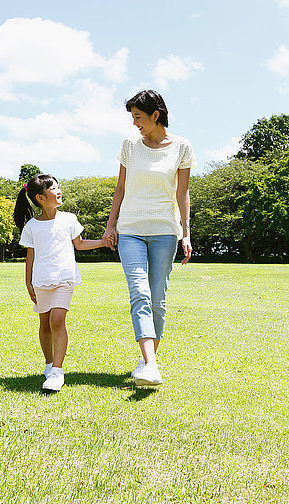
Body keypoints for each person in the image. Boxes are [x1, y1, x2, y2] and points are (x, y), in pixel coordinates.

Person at [102, 90, 196, 386]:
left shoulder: (182, 146)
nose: (134, 123)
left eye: (138, 117)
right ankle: (152, 365)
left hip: (165, 231)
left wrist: (186, 233)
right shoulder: (130, 145)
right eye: (132, 118)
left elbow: (182, 193)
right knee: (140, 292)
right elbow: (120, 188)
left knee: (157, 299)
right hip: (130, 230)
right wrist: (110, 226)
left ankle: (146, 362)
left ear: (156, 115)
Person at [14, 174, 108, 392]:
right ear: (40, 197)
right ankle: (48, 364)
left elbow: (80, 244)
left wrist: (103, 242)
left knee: (57, 320)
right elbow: (31, 256)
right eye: (53, 188)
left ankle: (57, 370)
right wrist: (28, 282)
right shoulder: (32, 226)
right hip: (41, 280)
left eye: (58, 186)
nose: (59, 191)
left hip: (65, 277)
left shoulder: (69, 219)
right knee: (45, 323)